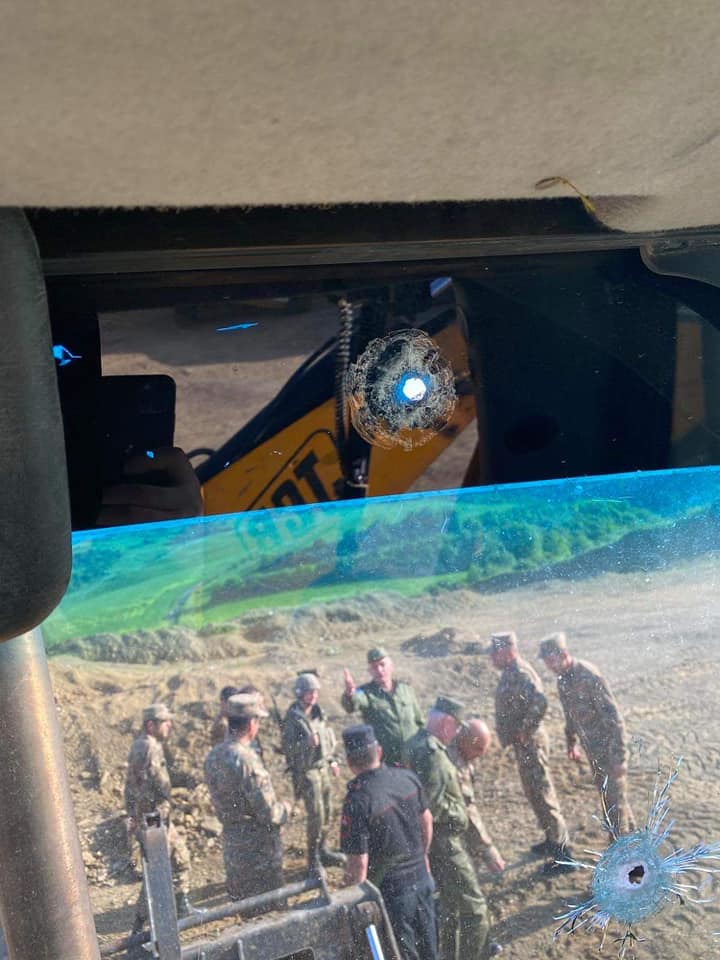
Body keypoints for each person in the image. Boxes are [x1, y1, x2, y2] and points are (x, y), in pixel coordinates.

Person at [404, 697, 500, 960]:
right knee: (475, 909)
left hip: (435, 842)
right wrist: (459, 812)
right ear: (447, 722)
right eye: (456, 726)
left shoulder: (416, 743)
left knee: (450, 907)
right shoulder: (433, 753)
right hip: (445, 842)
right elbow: (431, 806)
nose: (457, 733)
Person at [340, 724, 438, 960]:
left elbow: (359, 864)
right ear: (379, 751)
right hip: (422, 878)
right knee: (430, 949)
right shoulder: (407, 777)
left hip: (392, 894)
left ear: (350, 762)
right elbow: (426, 821)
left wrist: (353, 898)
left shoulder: (357, 800)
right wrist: (423, 855)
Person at [490, 631, 575, 873]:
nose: (492, 658)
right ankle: (551, 840)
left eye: (495, 653)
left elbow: (541, 702)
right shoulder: (510, 672)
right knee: (535, 794)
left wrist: (524, 731)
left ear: (508, 651)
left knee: (544, 796)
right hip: (524, 744)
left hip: (531, 744)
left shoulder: (521, 672)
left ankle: (564, 854)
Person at [538, 632, 635, 834]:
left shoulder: (589, 675)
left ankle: (621, 848)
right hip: (593, 751)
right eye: (547, 663)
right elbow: (570, 714)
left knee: (615, 805)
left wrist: (620, 758)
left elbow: (614, 717)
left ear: (564, 654)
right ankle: (633, 841)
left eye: (551, 661)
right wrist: (571, 742)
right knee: (612, 800)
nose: (549, 667)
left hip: (609, 750)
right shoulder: (563, 680)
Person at [204, 691, 292, 900]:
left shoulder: (213, 755)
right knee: (272, 910)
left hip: (233, 846)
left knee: (244, 908)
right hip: (259, 851)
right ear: (252, 723)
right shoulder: (247, 759)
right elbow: (270, 813)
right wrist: (286, 809)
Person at [124, 703, 194, 922]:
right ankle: (142, 921)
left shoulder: (139, 745)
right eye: (164, 722)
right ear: (150, 725)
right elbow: (161, 783)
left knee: (178, 858)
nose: (169, 726)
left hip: (149, 817)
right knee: (159, 867)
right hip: (154, 818)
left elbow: (130, 787)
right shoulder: (150, 747)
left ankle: (181, 906)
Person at [281, 672, 345, 871]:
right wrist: (305, 743)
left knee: (328, 811)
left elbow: (326, 740)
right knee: (316, 815)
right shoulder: (293, 718)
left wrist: (332, 761)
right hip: (306, 772)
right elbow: (287, 749)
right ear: (300, 693)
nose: (314, 695)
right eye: (310, 692)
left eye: (316, 691)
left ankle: (323, 849)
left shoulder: (319, 713)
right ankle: (313, 857)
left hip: (322, 768)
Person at [341, 647, 423, 766]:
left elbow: (419, 722)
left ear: (391, 666)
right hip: (388, 761)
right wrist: (350, 694)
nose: (379, 670)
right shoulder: (365, 692)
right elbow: (352, 705)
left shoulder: (406, 689)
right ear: (370, 671)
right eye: (374, 667)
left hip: (415, 757)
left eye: (382, 665)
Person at [448, 719, 506, 875]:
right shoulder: (455, 764)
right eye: (478, 749)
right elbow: (468, 811)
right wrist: (488, 850)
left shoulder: (455, 743)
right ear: (464, 741)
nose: (479, 756)